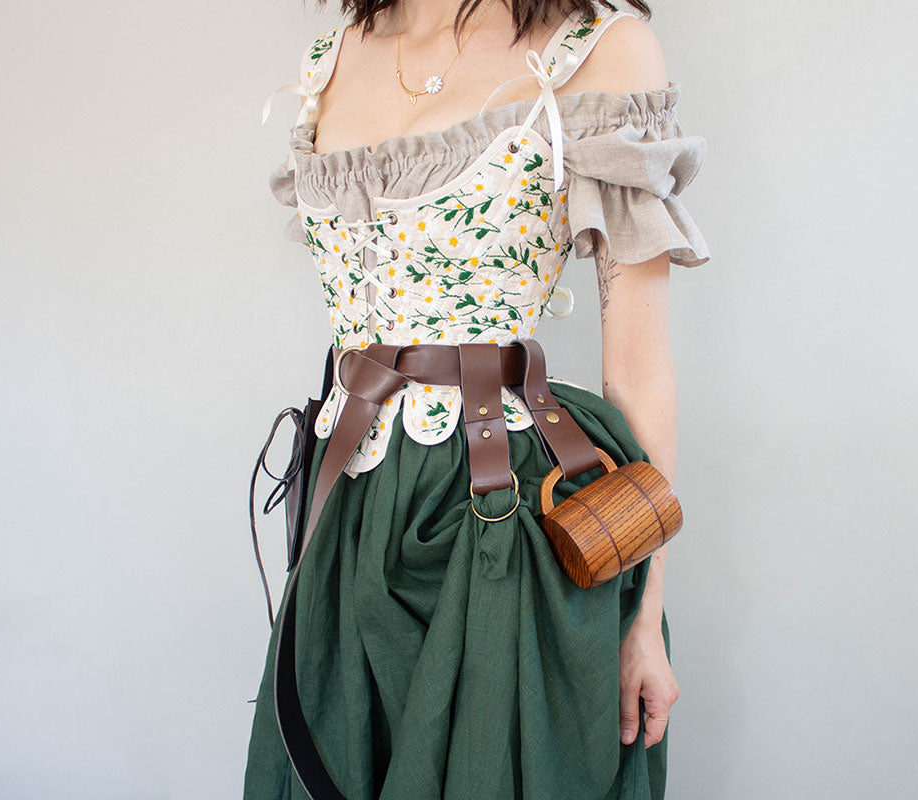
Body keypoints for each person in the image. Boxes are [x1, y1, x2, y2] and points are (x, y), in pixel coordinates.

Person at [245, 0, 710, 796]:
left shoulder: (602, 47)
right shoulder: (336, 51)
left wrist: (644, 616)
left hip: (510, 515)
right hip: (350, 513)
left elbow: (638, 370)